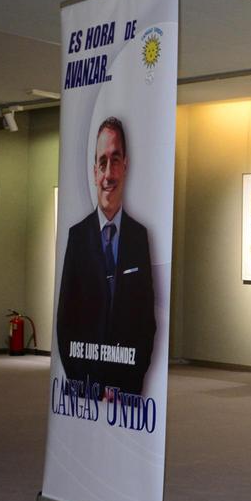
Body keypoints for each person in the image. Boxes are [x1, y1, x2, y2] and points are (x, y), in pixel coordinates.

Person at [56, 117, 156, 398]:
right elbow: (65, 323)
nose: (108, 174)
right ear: (94, 172)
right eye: (102, 163)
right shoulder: (77, 237)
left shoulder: (139, 237)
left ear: (126, 165)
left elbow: (146, 322)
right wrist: (85, 384)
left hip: (127, 388)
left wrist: (129, 382)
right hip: (86, 388)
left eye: (115, 160)